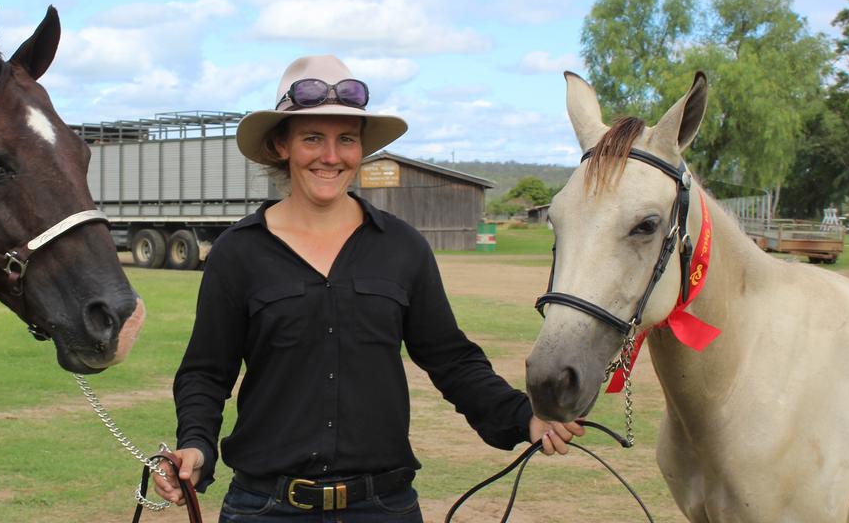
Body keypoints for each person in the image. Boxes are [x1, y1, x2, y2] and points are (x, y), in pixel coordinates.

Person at [153, 55, 583, 521]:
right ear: (281, 144)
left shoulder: (402, 247)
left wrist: (524, 417)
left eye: (347, 140)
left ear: (361, 150)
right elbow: (205, 373)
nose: (331, 156)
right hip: (266, 507)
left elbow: (450, 359)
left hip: (384, 506)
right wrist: (195, 444)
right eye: (313, 138)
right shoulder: (238, 252)